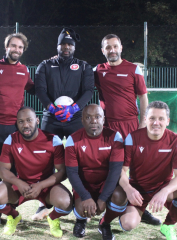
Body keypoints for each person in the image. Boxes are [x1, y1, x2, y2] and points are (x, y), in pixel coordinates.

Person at [93, 34, 160, 225]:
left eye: (115, 46)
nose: (112, 50)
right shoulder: (98, 70)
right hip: (108, 127)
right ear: (103, 50)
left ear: (121, 47)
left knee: (135, 168)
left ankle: (140, 208)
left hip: (131, 124)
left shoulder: (133, 69)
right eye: (108, 47)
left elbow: (143, 97)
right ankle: (114, 204)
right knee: (112, 167)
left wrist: (142, 124)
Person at [34, 27, 94, 220]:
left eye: (69, 44)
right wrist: (52, 109)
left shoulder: (84, 66)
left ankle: (81, 198)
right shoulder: (45, 65)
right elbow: (41, 90)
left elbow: (88, 90)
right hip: (51, 118)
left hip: (75, 118)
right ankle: (45, 203)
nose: (66, 47)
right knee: (46, 160)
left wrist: (74, 108)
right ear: (57, 46)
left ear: (74, 47)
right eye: (63, 44)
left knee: (81, 158)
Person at [0, 107, 73, 237]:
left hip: (46, 186)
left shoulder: (53, 140)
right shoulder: (11, 139)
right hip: (21, 184)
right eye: (21, 121)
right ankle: (14, 216)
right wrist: (18, 182)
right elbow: (2, 170)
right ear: (17, 123)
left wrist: (41, 185)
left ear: (37, 120)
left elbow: (62, 171)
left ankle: (53, 218)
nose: (25, 125)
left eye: (29, 120)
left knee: (66, 203)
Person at [0, 33, 35, 225]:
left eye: (20, 47)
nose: (17, 50)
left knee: (14, 170)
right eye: (14, 46)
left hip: (16, 128)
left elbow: (33, 88)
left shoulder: (24, 70)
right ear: (7, 47)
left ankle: (10, 209)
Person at [114, 101, 177, 240]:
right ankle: (136, 212)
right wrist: (128, 188)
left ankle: (168, 224)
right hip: (138, 190)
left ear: (167, 121)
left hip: (162, 188)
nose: (156, 122)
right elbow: (121, 171)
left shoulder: (174, 140)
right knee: (127, 225)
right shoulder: (132, 138)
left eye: (161, 119)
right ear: (145, 119)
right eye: (152, 118)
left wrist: (165, 191)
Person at [65, 104, 126, 240]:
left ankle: (105, 223)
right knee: (82, 209)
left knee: (120, 196)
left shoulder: (115, 137)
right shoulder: (72, 140)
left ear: (103, 119)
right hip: (84, 185)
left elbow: (114, 172)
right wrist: (86, 196)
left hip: (106, 184)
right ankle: (81, 221)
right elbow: (72, 173)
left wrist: (103, 198)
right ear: (82, 120)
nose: (93, 121)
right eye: (88, 117)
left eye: (97, 117)